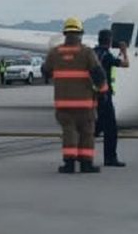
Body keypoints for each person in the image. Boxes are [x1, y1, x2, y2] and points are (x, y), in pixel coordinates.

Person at [42, 17, 108, 174]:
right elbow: (99, 74)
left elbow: (45, 71)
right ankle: (86, 164)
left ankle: (69, 165)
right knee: (87, 133)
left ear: (65, 34)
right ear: (80, 34)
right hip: (85, 104)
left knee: (69, 133)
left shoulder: (55, 53)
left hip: (63, 104)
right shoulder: (87, 53)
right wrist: (103, 92)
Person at [93, 29, 129, 167]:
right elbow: (125, 64)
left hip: (91, 94)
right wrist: (124, 51)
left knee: (97, 126)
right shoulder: (107, 56)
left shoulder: (92, 53)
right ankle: (110, 157)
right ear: (109, 41)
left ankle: (82, 153)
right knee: (111, 129)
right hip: (104, 95)